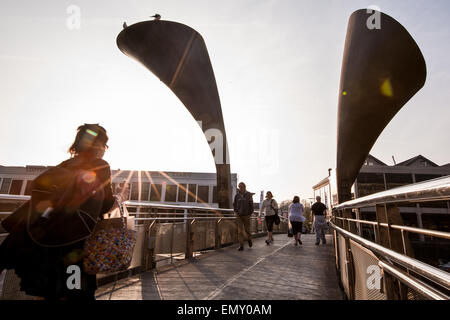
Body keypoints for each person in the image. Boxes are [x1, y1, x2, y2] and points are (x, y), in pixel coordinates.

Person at [0, 124, 115, 300]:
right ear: (100, 146)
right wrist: (118, 199)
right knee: (75, 293)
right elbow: (105, 204)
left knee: (48, 293)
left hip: (44, 241)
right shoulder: (100, 166)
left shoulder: (65, 165)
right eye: (104, 145)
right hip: (75, 243)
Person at [233, 182, 254, 251]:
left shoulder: (249, 195)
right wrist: (236, 212)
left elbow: (251, 205)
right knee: (240, 231)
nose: (241, 188)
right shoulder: (237, 195)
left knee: (247, 230)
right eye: (240, 187)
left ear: (245, 187)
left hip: (246, 215)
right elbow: (234, 204)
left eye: (242, 187)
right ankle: (241, 245)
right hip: (239, 215)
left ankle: (249, 239)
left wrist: (250, 213)